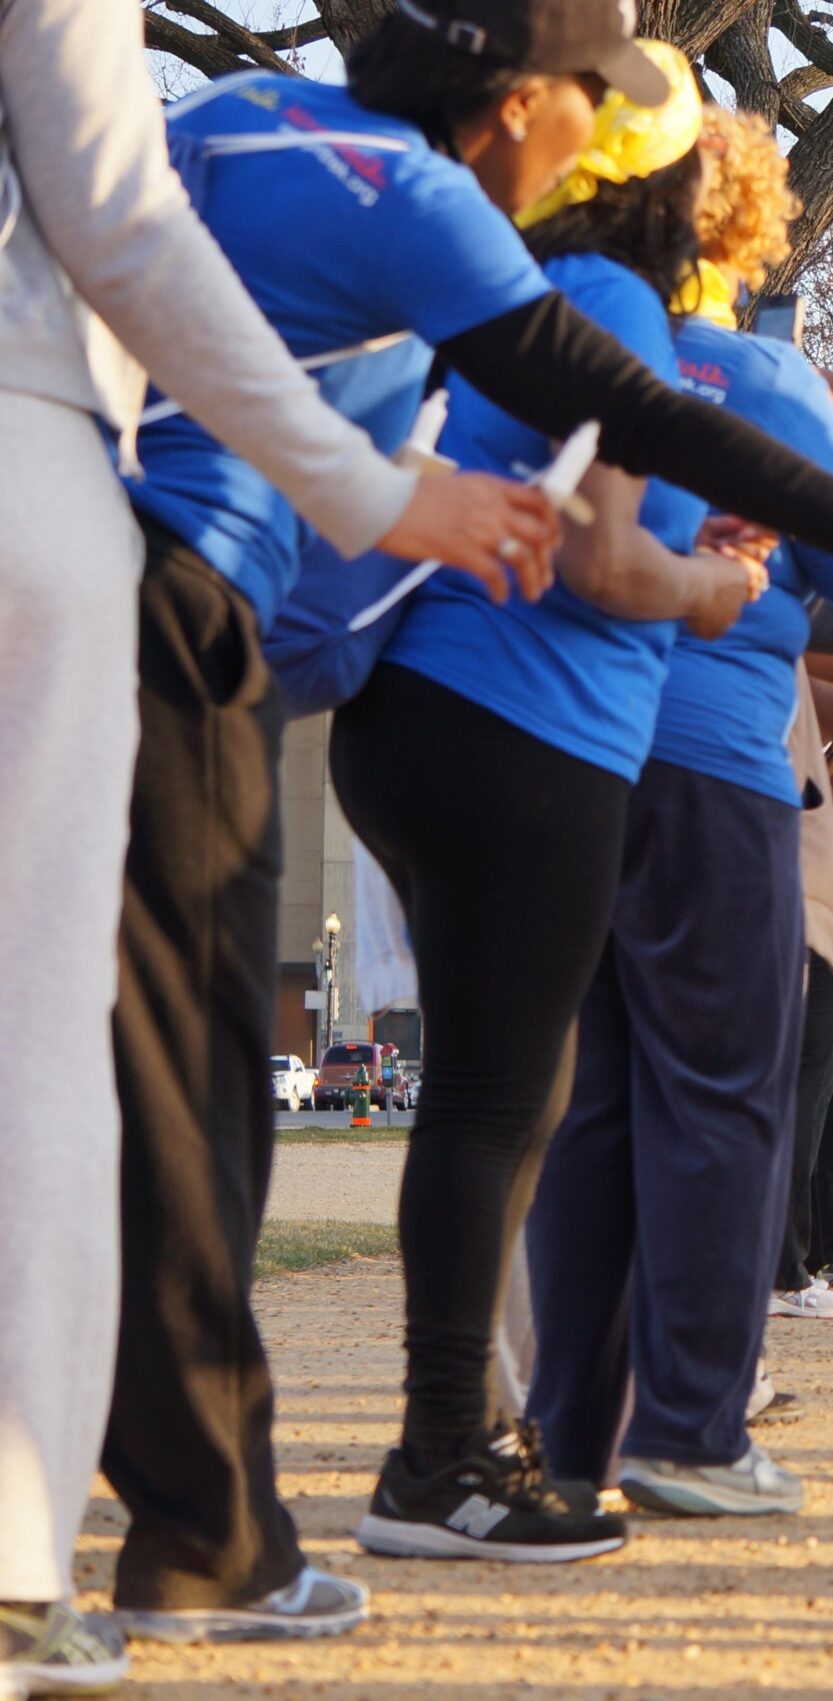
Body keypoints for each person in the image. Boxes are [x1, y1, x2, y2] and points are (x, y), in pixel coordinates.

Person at [313, 23, 833, 1565]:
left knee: (563, 1109)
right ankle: (653, 1431)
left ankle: (555, 1441)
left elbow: (812, 491)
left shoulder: (529, 308)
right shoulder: (662, 328)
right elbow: (748, 578)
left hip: (488, 734)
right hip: (621, 753)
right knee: (669, 1097)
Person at [0, 0, 568, 1677]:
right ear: (507, 104)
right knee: (122, 1071)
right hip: (125, 565)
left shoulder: (247, 121)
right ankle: (164, 1535)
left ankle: (207, 1518)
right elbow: (112, 221)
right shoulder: (404, 202)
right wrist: (376, 491)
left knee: (160, 1073)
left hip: (168, 584)